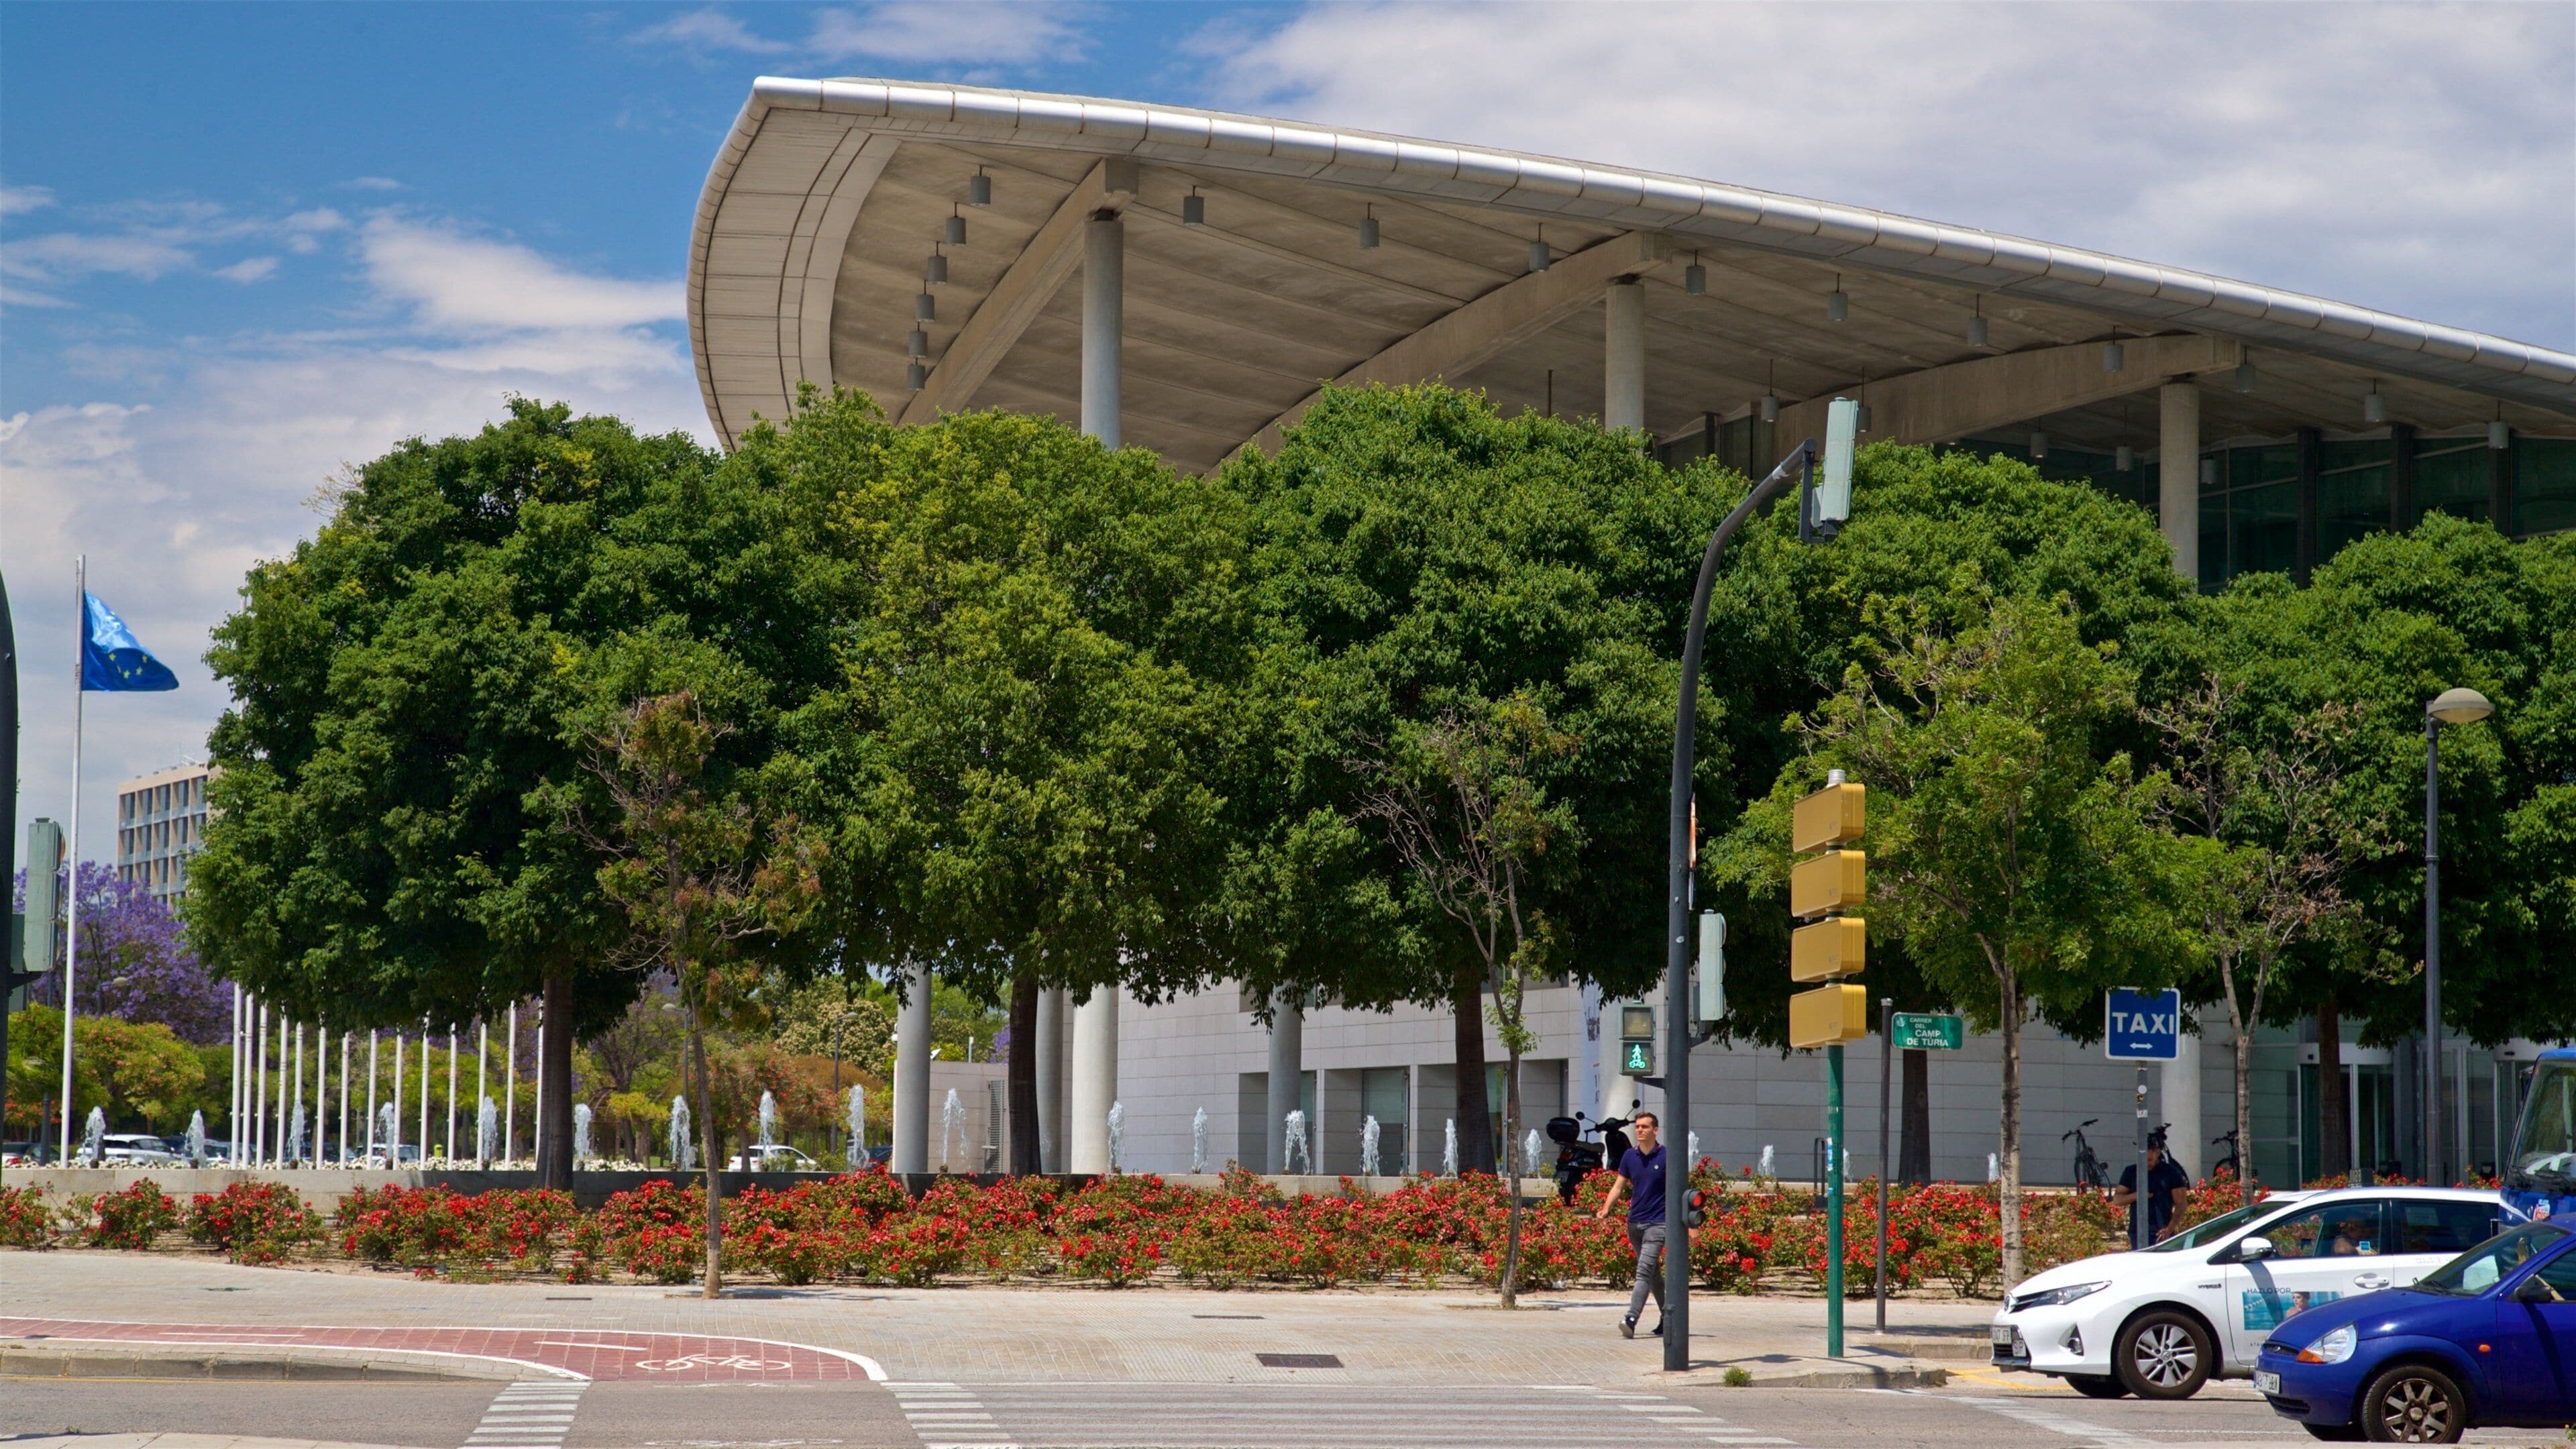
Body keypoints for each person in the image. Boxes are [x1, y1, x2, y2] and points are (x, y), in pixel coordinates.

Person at [1593, 1108, 1668, 1339]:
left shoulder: (1667, 1156)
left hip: (1658, 1224)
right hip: (1634, 1223)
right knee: (1653, 1274)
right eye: (1637, 1127)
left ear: (1655, 1130)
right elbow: (1619, 1185)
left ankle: (1631, 1318)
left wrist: (1691, 1226)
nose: (1640, 1130)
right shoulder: (1629, 1156)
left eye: (1645, 1127)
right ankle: (1669, 1318)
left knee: (1643, 1272)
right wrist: (1606, 1208)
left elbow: (1680, 1191)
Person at [2114, 1132, 2192, 1246]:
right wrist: (2137, 1195)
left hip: (2162, 1232)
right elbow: (2117, 1200)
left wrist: (2169, 1229)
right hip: (2137, 1231)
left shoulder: (2171, 1172)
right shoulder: (2131, 1171)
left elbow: (2181, 1204)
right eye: (2143, 1160)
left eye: (2150, 1160)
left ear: (2158, 1153)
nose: (2147, 1163)